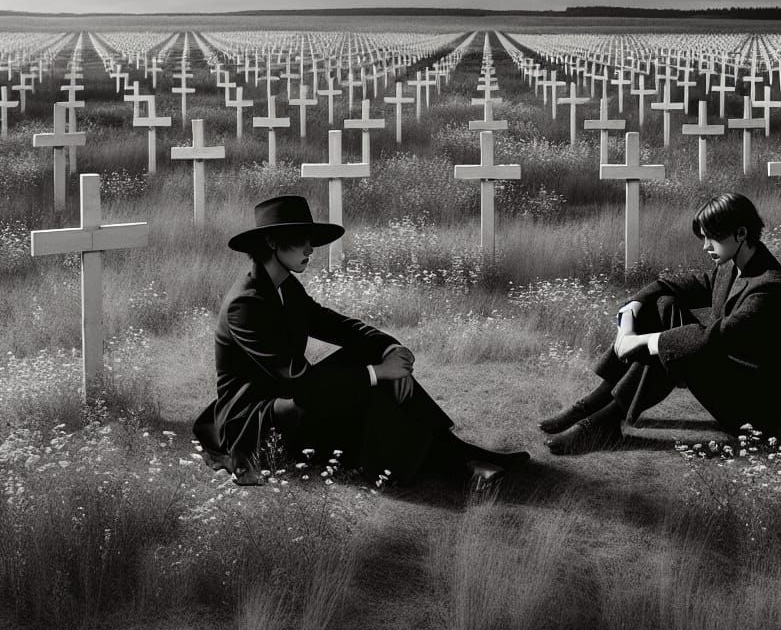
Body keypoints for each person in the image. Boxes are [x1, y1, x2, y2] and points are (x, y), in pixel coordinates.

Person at [193, 195, 530, 489]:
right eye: (300, 241)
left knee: (363, 358)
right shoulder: (246, 303)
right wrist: (378, 373)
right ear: (271, 242)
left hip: (291, 399)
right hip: (260, 419)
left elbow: (336, 325)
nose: (311, 249)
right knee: (367, 387)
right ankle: (460, 467)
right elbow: (299, 381)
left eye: (311, 239)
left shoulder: (285, 287)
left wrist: (389, 350)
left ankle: (464, 454)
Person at [540, 192, 781, 454]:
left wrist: (643, 341)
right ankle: (595, 403)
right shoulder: (733, 265)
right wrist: (634, 306)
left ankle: (604, 420)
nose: (705, 246)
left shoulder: (769, 287)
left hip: (753, 410)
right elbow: (676, 286)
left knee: (676, 345)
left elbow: (714, 338)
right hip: (730, 376)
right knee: (664, 304)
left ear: (741, 233)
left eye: (712, 238)